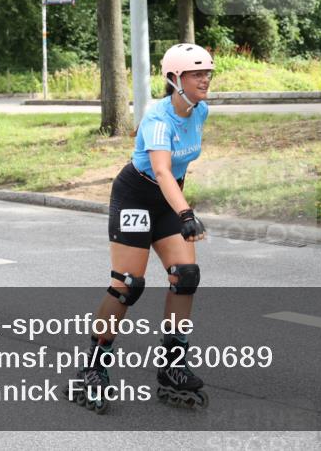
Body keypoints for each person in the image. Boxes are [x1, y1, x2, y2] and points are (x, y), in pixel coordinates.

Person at [67, 43, 214, 414]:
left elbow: (177, 171)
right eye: (197, 74)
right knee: (127, 286)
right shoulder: (157, 118)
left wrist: (177, 207)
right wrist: (186, 213)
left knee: (186, 275)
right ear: (174, 79)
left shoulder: (200, 112)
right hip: (135, 196)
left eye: (208, 73)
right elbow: (161, 169)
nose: (206, 79)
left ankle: (172, 366)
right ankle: (95, 367)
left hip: (168, 199)